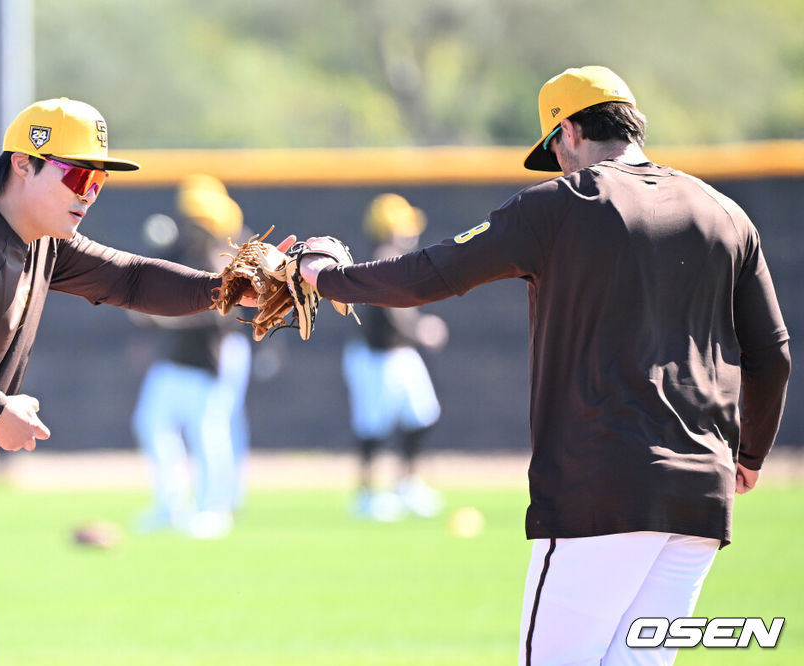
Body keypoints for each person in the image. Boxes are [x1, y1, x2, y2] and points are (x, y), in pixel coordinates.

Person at [297, 66, 790, 665]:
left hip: (601, 483)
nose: (555, 160)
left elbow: (426, 274)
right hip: (701, 496)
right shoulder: (726, 214)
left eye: (553, 145)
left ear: (573, 129)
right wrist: (749, 455)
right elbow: (772, 355)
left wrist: (325, 278)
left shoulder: (562, 205)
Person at [0, 98, 288, 665]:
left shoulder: (37, 240)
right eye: (79, 173)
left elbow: (131, 281)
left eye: (100, 180)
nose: (89, 192)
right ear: (22, 163)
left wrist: (228, 288)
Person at [131, 174, 252, 538]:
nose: (194, 230)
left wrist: (162, 318)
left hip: (205, 362)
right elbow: (146, 295)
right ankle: (171, 506)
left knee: (209, 434)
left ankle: (216, 509)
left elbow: (220, 318)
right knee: (150, 424)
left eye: (201, 223)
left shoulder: (226, 261)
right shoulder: (179, 252)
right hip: (173, 362)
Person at [342, 194, 447, 521]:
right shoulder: (382, 259)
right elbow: (391, 313)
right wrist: (421, 330)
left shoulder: (396, 258)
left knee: (422, 415)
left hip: (400, 354)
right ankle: (367, 494)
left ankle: (408, 485)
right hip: (376, 356)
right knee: (373, 427)